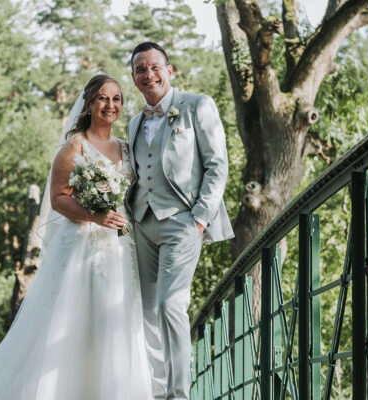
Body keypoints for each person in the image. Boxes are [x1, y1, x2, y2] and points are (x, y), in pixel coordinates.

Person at [0, 75, 151, 400]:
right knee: (73, 320)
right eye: (102, 98)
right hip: (82, 247)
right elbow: (58, 198)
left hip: (120, 248)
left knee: (115, 319)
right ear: (89, 103)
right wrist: (95, 215)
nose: (110, 105)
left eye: (116, 99)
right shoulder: (74, 147)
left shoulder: (126, 148)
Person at [125, 42, 234, 400]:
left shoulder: (198, 105)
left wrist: (200, 219)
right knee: (147, 310)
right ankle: (157, 391)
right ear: (134, 77)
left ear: (169, 71)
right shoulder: (133, 123)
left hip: (183, 222)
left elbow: (218, 164)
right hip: (142, 222)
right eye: (140, 69)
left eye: (155, 66)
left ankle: (179, 395)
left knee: (171, 304)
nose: (148, 74)